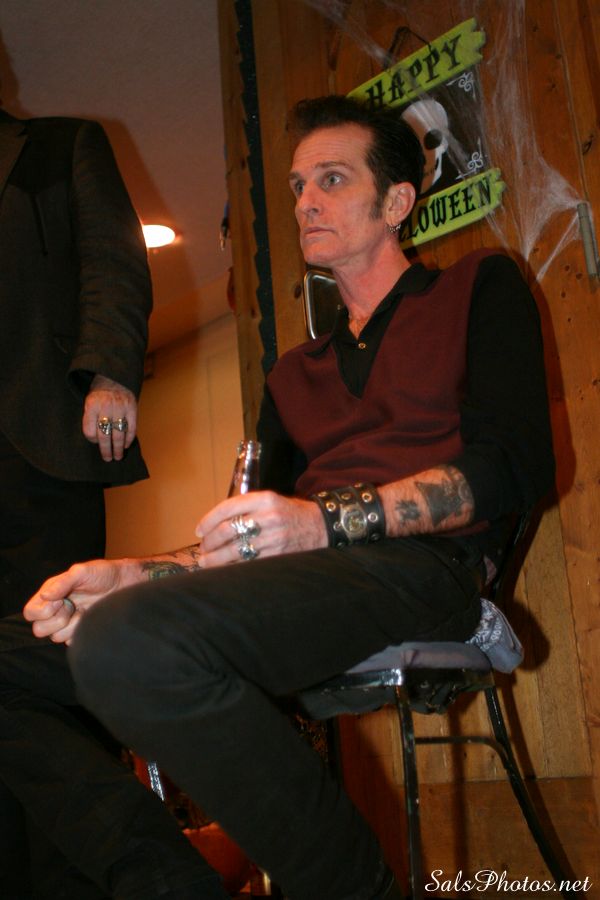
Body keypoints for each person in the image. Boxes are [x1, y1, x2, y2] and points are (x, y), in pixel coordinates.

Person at [25, 95, 555, 900]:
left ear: (397, 202)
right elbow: (250, 542)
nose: (305, 201)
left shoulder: (480, 287)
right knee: (21, 656)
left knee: (127, 643)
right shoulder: (293, 374)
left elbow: (515, 468)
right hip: (310, 583)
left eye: (332, 180)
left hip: (427, 568)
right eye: (299, 185)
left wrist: (321, 522)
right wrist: (135, 575)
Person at [0, 108, 214, 899]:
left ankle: (133, 881)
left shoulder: (62, 145)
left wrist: (112, 371)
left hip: (35, 451)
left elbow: (114, 258)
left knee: (47, 666)